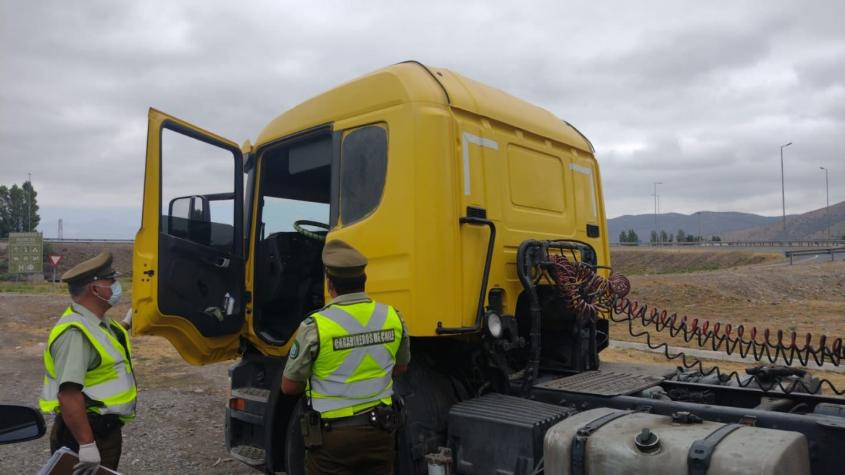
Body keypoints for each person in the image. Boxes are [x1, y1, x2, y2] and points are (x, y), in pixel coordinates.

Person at [281, 239, 410, 474]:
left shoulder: (315, 326)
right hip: (381, 430)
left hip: (333, 439)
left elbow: (289, 386)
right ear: (365, 280)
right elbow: (400, 368)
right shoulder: (394, 316)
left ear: (329, 284)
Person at [39, 251, 136, 475]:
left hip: (102, 430)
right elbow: (68, 394)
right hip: (86, 432)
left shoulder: (97, 323)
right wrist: (87, 445)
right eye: (111, 281)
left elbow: (102, 346)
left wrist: (128, 322)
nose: (116, 286)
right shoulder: (75, 334)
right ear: (95, 289)